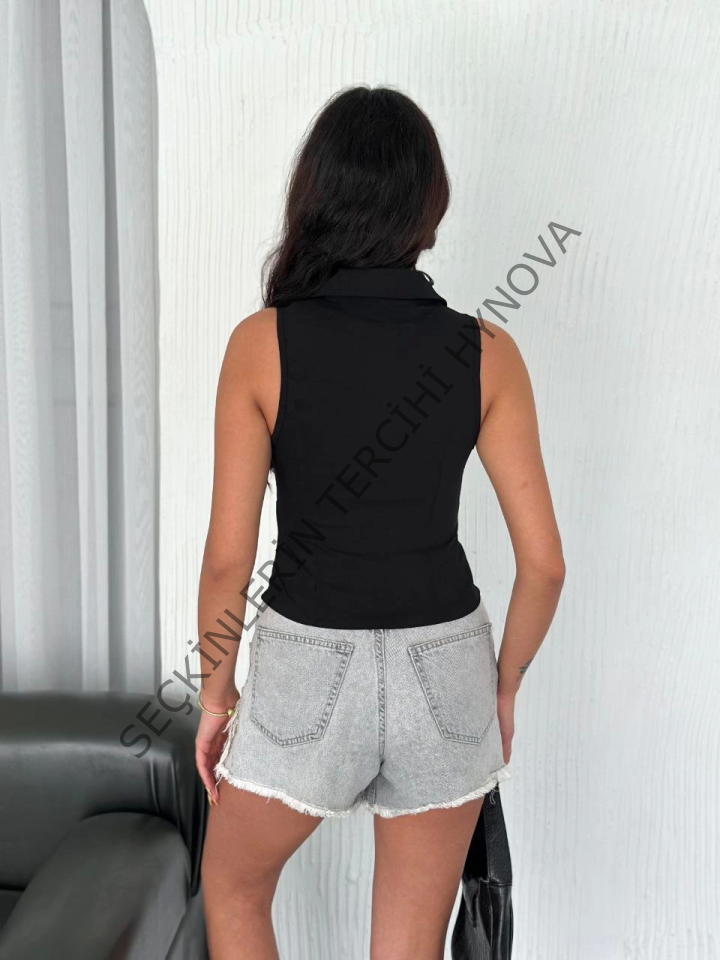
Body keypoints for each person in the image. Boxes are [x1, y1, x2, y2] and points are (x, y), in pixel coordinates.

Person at [196, 85, 565, 960]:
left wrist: (215, 696)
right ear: (427, 206)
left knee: (233, 890)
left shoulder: (261, 343)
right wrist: (502, 686)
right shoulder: (487, 352)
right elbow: (545, 565)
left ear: (316, 195)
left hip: (306, 666)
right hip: (447, 669)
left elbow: (227, 563)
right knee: (408, 948)